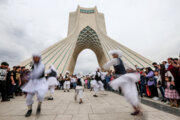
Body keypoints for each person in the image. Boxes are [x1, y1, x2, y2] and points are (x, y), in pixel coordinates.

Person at [103, 50, 141, 116]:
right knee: (130, 92)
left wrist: (105, 67)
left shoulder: (114, 60)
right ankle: (136, 108)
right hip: (126, 77)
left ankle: (137, 108)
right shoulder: (121, 60)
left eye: (114, 54)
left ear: (117, 55)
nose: (113, 55)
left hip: (123, 78)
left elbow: (106, 66)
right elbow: (127, 67)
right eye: (113, 54)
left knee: (128, 93)